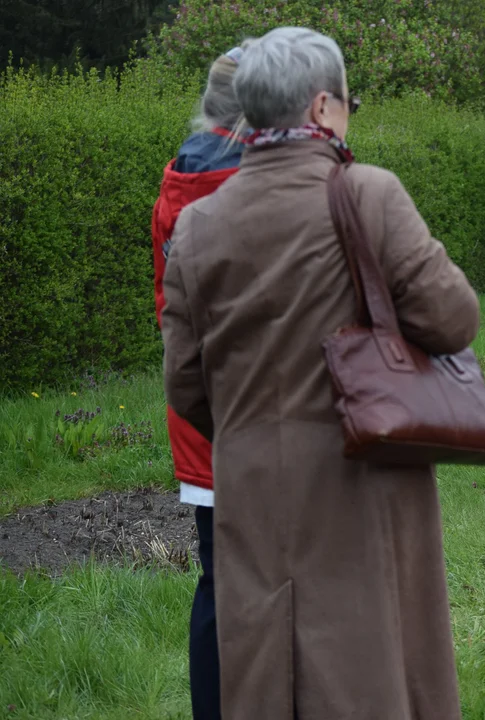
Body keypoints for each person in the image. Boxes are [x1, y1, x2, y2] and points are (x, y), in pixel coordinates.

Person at [159, 26, 479, 720]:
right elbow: (453, 320)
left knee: (267, 669)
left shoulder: (199, 225)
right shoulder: (369, 195)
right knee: (369, 666)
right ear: (320, 108)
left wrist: (252, 425)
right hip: (363, 473)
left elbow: (185, 383)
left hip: (249, 482)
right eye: (346, 102)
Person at [150, 42, 249, 720]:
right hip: (270, 415)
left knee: (218, 584)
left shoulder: (176, 183)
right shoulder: (263, 187)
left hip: (197, 414)